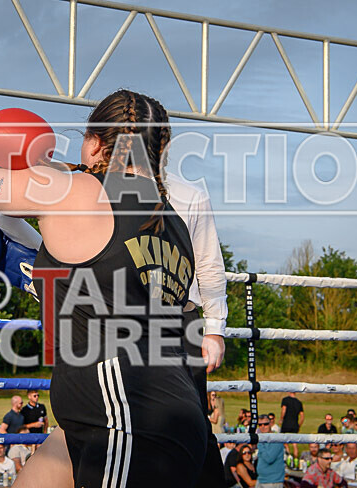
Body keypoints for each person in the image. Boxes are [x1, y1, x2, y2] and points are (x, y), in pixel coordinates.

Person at [0, 90, 207, 486]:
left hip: (124, 419)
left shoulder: (79, 191)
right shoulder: (171, 222)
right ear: (161, 149)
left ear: (93, 142)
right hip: (139, 413)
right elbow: (109, 294)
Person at [166, 171, 228, 488]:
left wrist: (215, 328)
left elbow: (209, 263)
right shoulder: (94, 186)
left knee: (191, 418)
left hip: (181, 320)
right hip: (118, 320)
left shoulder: (188, 194)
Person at [255, 415, 285, 487]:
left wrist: (259, 444)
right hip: (261, 479)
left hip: (273, 481)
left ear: (270, 424)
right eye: (260, 424)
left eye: (265, 424)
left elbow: (269, 458)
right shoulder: (263, 440)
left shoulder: (276, 439)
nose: (263, 426)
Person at [280, 392, 303, 457]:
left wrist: (281, 419)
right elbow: (302, 416)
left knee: (285, 442)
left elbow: (284, 410)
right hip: (295, 425)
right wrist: (299, 425)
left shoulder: (285, 400)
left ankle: (288, 456)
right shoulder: (299, 402)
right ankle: (295, 458)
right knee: (294, 443)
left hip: (286, 423)